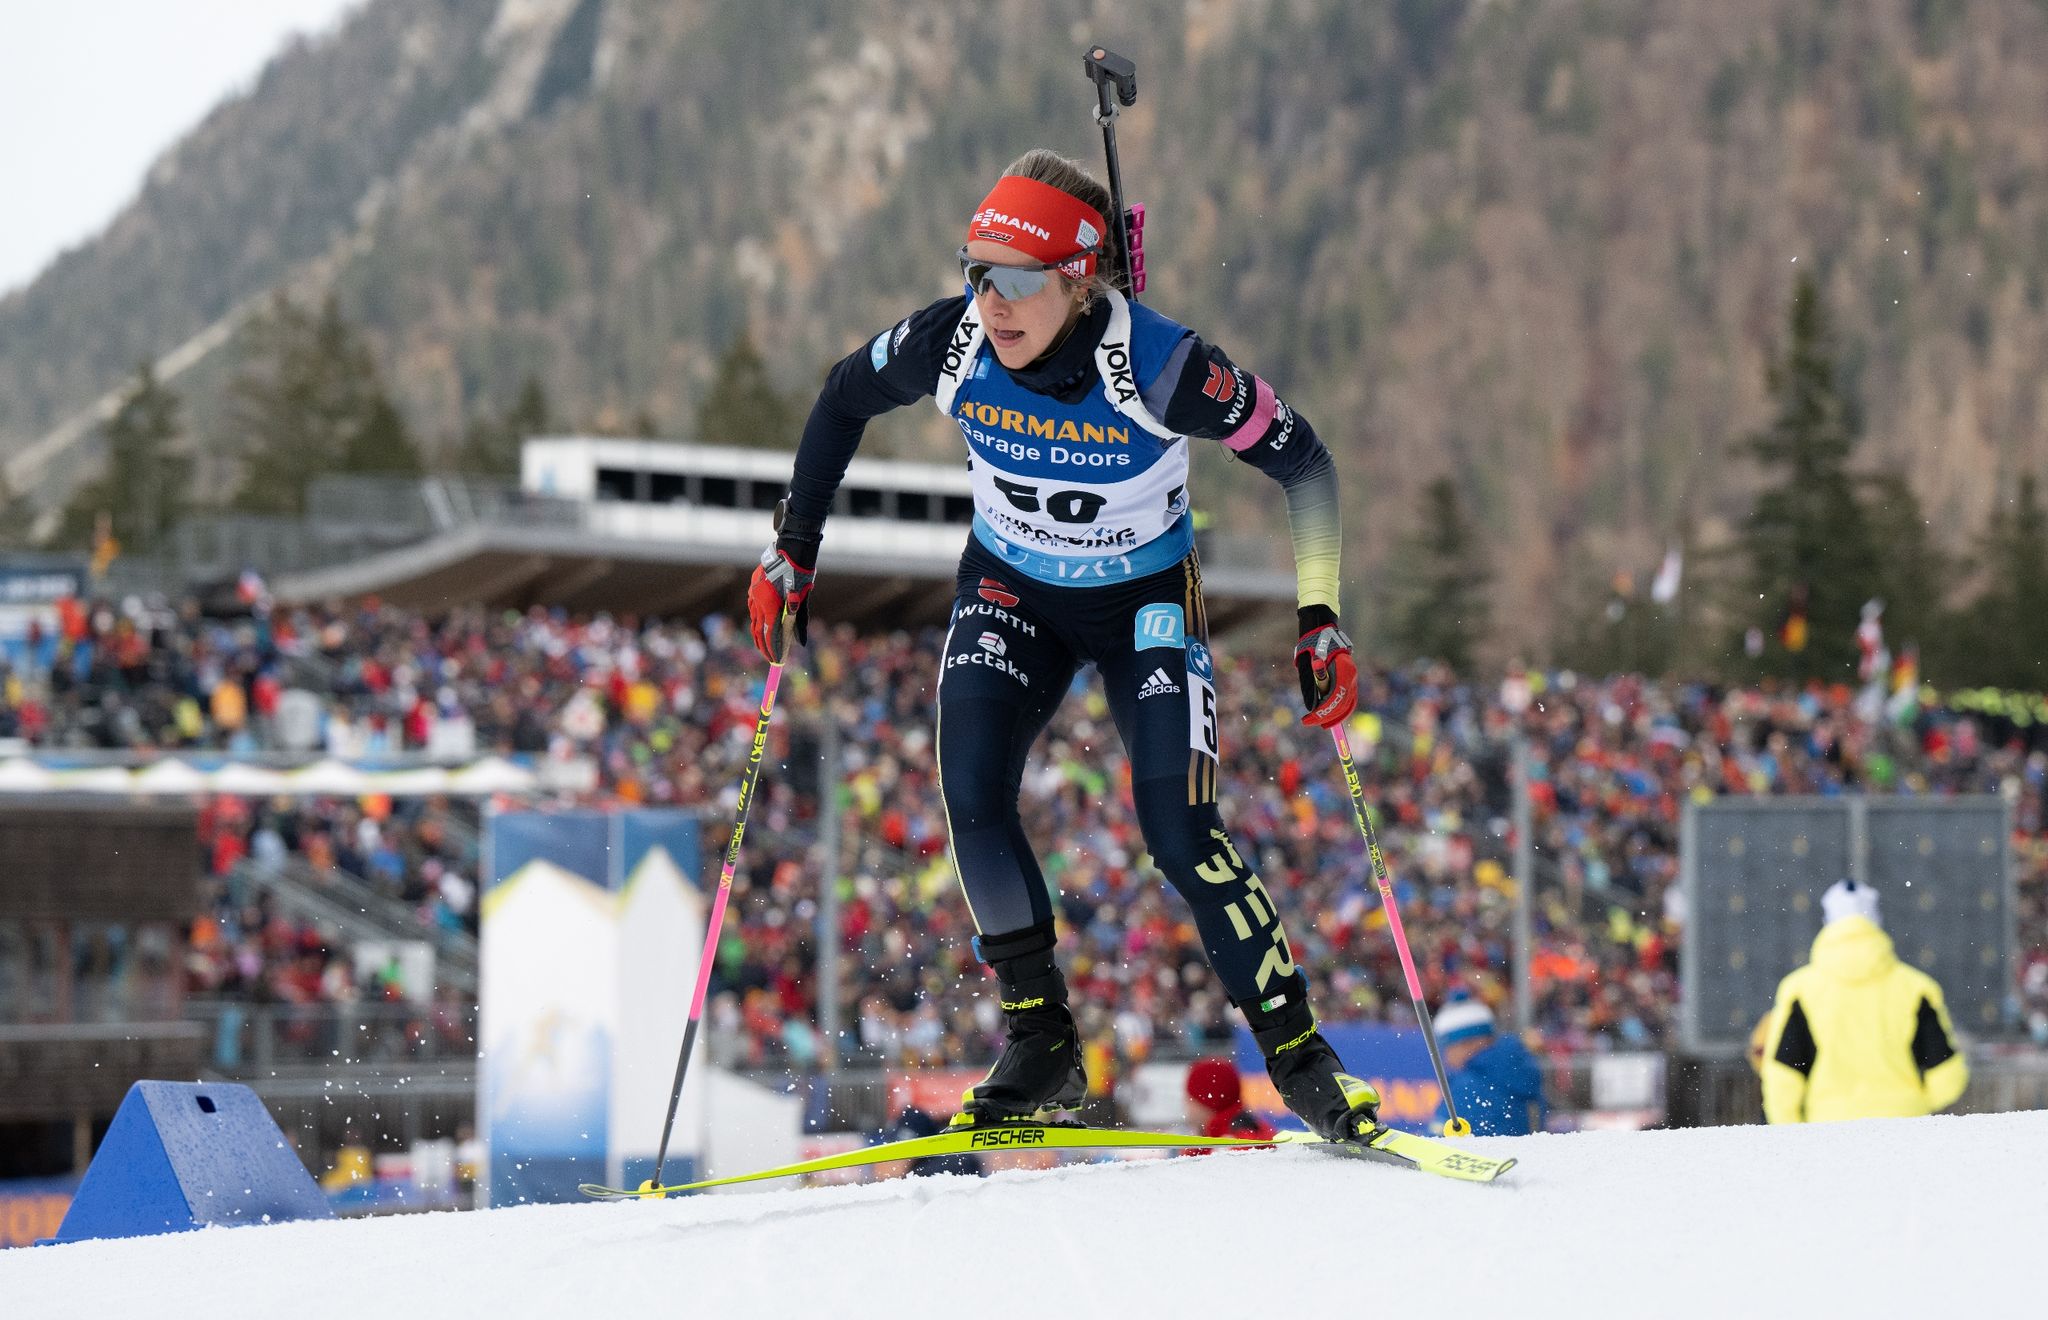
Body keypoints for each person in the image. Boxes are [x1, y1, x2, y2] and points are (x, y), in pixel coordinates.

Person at [748, 148, 1378, 1142]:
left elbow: (1303, 462)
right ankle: (1039, 1041)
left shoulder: (1163, 367)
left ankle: (1301, 1061)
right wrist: (793, 549)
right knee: (971, 793)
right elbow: (839, 398)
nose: (991, 304)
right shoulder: (948, 343)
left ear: (1078, 279)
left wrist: (1317, 614)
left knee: (1177, 833)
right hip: (1011, 589)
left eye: (1017, 281)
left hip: (1141, 608)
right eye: (976, 274)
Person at [1759, 877, 1969, 1124]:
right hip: (1906, 1131)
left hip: (1827, 1131)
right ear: (1876, 921)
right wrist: (1911, 1105)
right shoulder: (1917, 988)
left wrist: (1794, 1136)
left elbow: (1782, 1081)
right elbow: (1947, 1079)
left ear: (1827, 922)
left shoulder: (1799, 990)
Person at [1433, 997, 1545, 1136]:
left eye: (1447, 1047)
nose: (1446, 1059)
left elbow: (1435, 1145)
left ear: (1467, 1043)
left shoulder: (1469, 1085)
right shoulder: (1518, 1069)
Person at [1183, 1056, 1277, 1154]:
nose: (1187, 1105)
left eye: (1191, 1098)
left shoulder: (1238, 1147)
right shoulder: (1213, 1139)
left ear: (1206, 1102)